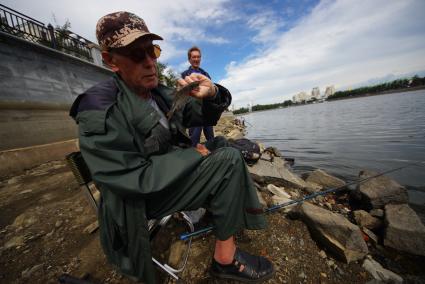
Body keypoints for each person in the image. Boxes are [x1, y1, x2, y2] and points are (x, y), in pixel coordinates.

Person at [70, 11, 274, 284]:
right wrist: (192, 154)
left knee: (222, 142)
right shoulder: (99, 107)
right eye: (136, 54)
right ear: (110, 61)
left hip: (164, 177)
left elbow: (203, 115)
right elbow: (131, 178)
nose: (149, 62)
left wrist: (211, 92)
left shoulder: (158, 93)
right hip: (138, 199)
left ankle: (220, 212)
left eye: (152, 51)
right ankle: (225, 260)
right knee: (226, 160)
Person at [181, 46, 215, 146]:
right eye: (194, 57)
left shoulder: (206, 74)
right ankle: (195, 157)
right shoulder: (184, 75)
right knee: (194, 139)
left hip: (207, 109)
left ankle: (213, 156)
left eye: (198, 57)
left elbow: (211, 91)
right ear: (189, 59)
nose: (196, 59)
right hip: (194, 112)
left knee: (210, 137)